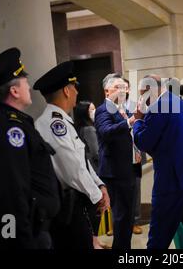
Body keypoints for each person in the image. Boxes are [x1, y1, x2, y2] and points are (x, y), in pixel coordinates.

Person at [0, 47, 60, 249]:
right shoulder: (8, 128)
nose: (29, 87)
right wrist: (14, 239)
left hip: (23, 229)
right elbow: (11, 190)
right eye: (25, 82)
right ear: (14, 90)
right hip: (23, 235)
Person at [132, 75, 183, 249]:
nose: (142, 100)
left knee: (158, 239)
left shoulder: (158, 108)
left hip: (172, 185)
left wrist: (139, 120)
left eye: (143, 95)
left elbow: (144, 142)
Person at [34, 61, 110, 250]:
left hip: (77, 203)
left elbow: (81, 160)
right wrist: (96, 195)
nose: (77, 92)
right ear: (67, 91)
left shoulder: (63, 122)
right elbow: (71, 169)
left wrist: (100, 185)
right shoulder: (53, 125)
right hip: (66, 209)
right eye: (75, 88)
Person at [94, 73, 136, 249]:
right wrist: (130, 122)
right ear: (106, 91)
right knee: (120, 216)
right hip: (115, 170)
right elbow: (106, 131)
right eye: (118, 87)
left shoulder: (122, 109)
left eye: (124, 87)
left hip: (128, 168)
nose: (122, 91)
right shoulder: (103, 110)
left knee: (127, 216)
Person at [73, 100, 109, 249]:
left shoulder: (79, 128)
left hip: (88, 171)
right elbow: (96, 152)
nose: (94, 112)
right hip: (95, 171)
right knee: (96, 209)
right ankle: (95, 241)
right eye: (91, 110)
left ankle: (95, 240)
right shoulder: (89, 129)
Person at [123, 78, 144, 236]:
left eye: (125, 87)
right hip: (119, 155)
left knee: (135, 188)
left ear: (129, 89)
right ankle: (121, 223)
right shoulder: (110, 107)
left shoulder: (136, 105)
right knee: (120, 190)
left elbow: (142, 126)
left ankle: (135, 221)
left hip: (135, 151)